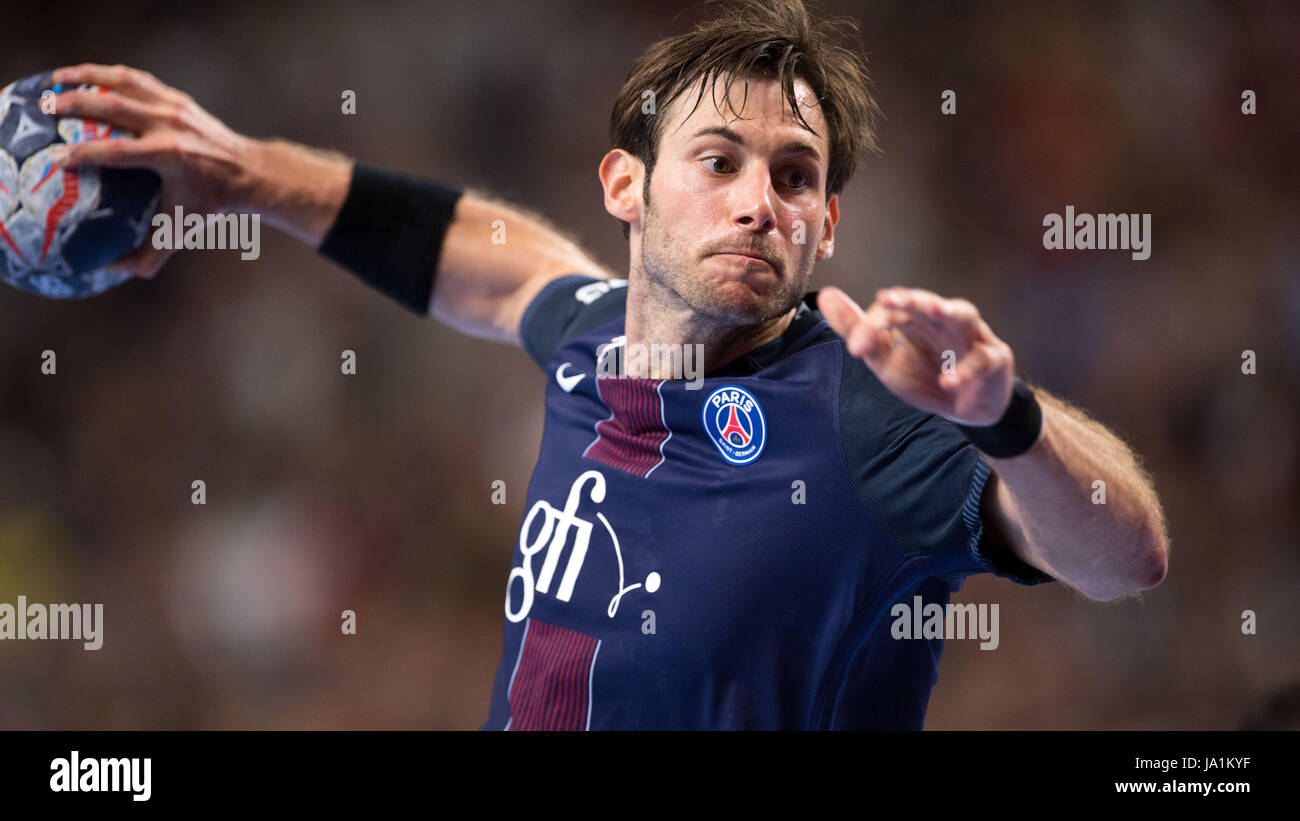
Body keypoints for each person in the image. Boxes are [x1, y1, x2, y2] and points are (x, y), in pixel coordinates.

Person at [49, 0, 1169, 729]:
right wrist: (245, 173)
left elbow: (1127, 559)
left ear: (825, 226)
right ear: (624, 187)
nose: (756, 201)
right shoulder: (589, 334)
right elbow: (482, 260)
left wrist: (1002, 415)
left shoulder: (864, 412)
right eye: (718, 160)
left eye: (793, 178)